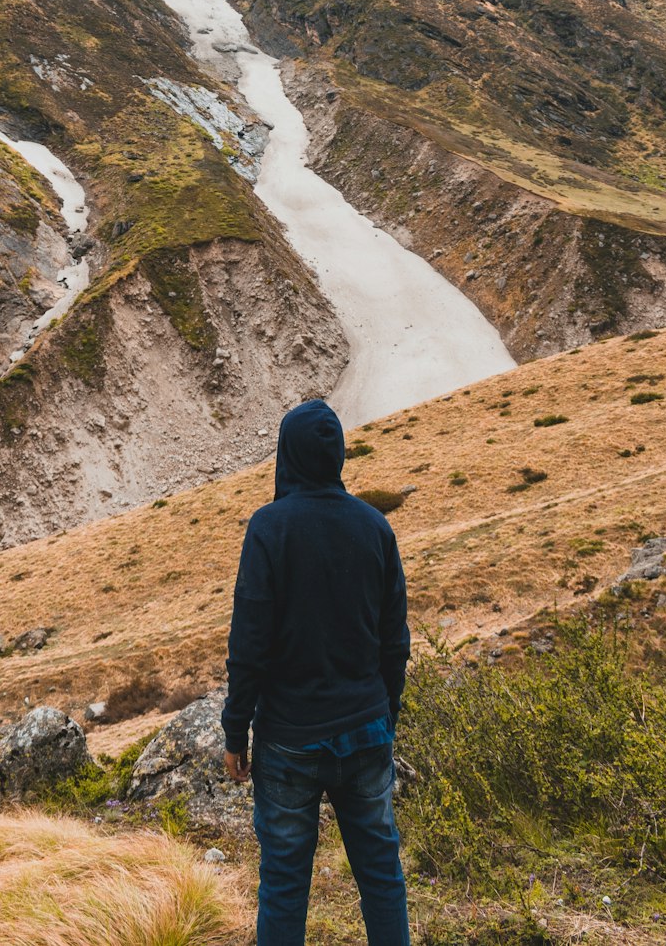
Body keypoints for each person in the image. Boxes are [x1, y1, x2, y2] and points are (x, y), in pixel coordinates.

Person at [222, 398, 411, 946]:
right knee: (381, 875)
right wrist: (385, 715)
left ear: (288, 456)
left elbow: (249, 644)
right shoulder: (375, 527)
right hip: (366, 728)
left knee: (283, 883)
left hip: (288, 740)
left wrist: (237, 732)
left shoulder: (268, 528)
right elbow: (394, 642)